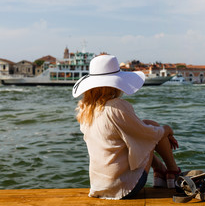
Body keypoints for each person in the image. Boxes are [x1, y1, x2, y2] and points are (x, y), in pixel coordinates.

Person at [72, 54, 180, 199]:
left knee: (147, 125)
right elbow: (150, 135)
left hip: (99, 187)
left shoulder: (85, 110)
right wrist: (167, 130)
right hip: (124, 188)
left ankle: (161, 170)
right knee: (152, 128)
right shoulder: (116, 106)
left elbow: (141, 134)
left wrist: (158, 132)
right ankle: (172, 171)